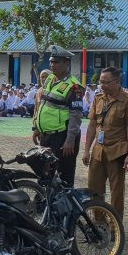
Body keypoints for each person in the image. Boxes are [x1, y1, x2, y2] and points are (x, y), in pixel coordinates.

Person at [82, 66, 128, 219]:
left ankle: (115, 226)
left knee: (116, 192)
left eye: (106, 82)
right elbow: (92, 125)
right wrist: (87, 150)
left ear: (117, 82)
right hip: (98, 152)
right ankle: (99, 223)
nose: (102, 85)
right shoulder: (99, 98)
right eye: (101, 82)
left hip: (117, 152)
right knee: (94, 189)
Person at [32, 46, 84, 187]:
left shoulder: (74, 87)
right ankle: (44, 204)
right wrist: (37, 127)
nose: (52, 65)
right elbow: (43, 104)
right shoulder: (49, 79)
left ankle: (65, 208)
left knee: (63, 175)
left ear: (66, 63)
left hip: (62, 137)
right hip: (47, 135)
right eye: (51, 62)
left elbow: (76, 115)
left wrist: (70, 140)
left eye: (56, 62)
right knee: (44, 172)